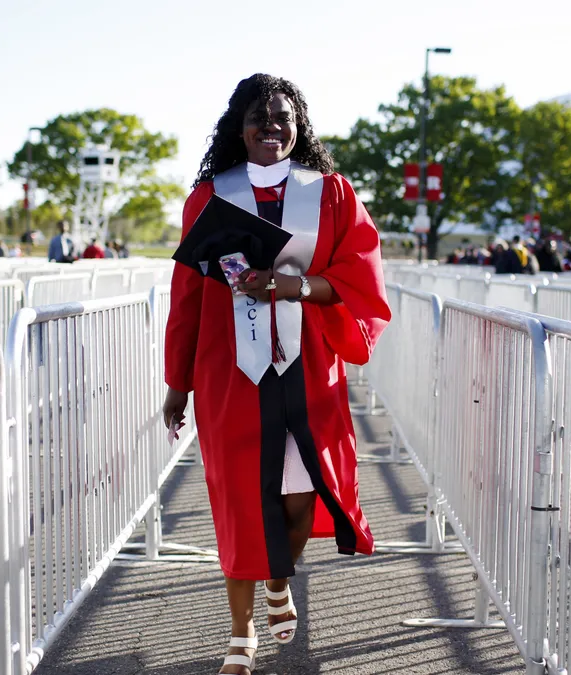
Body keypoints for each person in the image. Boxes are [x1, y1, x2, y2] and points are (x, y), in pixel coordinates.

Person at [162, 74, 390, 675]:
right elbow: (186, 295)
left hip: (308, 366)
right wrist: (176, 381)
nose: (272, 126)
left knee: (295, 501)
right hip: (229, 372)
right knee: (240, 504)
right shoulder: (209, 197)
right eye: (260, 117)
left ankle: (277, 582)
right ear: (237, 127)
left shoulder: (333, 194)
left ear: (300, 125)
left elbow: (361, 277)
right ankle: (239, 637)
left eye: (284, 117)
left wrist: (295, 286)